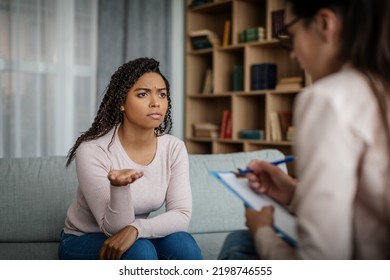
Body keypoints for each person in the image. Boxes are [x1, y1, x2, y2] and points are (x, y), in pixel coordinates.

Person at [218, 0, 390, 259]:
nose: (293, 53)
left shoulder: (328, 98)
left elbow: (319, 263)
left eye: (292, 35)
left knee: (240, 244)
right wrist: (292, 193)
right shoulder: (379, 89)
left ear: (324, 23)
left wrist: (263, 231)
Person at [58, 57, 202, 260]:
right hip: (84, 238)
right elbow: (112, 228)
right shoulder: (93, 149)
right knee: (141, 250)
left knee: (183, 244)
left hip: (137, 235)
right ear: (122, 103)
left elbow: (181, 214)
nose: (155, 103)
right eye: (143, 94)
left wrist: (137, 229)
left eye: (162, 94)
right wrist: (119, 188)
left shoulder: (173, 148)